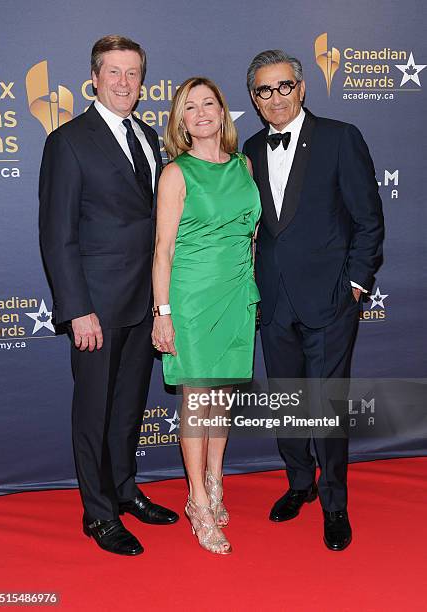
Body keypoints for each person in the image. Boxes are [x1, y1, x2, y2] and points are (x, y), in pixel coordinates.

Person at [39, 35, 178, 557]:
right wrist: (77, 309)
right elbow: (57, 235)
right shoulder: (69, 141)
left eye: (134, 73)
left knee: (128, 410)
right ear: (94, 78)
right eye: (114, 73)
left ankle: (124, 491)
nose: (125, 83)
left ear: (143, 80)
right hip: (95, 307)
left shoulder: (148, 136)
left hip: (145, 305)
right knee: (93, 414)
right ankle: (97, 515)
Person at [243, 50, 384, 551]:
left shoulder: (340, 137)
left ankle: (334, 502)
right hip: (273, 299)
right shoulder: (251, 149)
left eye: (284, 86)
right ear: (255, 101)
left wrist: (355, 283)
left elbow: (368, 219)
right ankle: (299, 483)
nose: (276, 97)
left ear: (302, 89)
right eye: (265, 90)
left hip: (330, 299)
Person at [151, 77, 261, 554]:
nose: (200, 113)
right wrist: (164, 313)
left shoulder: (244, 165)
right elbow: (163, 250)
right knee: (198, 402)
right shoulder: (176, 173)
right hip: (192, 299)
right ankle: (197, 498)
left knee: (222, 398)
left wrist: (249, 289)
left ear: (222, 112)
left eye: (208, 104)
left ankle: (216, 481)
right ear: (181, 119)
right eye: (189, 107)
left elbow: (251, 238)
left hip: (237, 295)